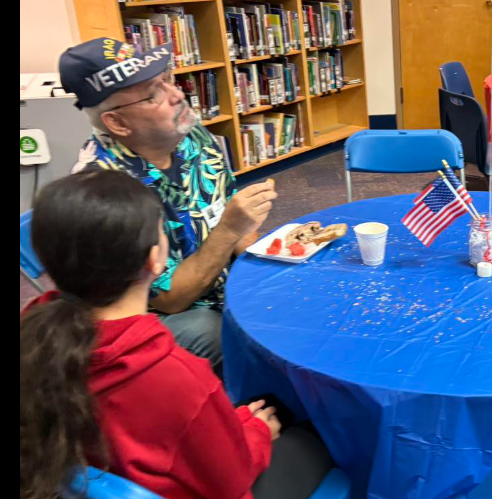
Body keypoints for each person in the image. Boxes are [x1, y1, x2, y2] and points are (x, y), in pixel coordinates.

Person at [20, 170, 333, 499]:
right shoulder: (177, 375)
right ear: (155, 261)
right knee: (323, 429)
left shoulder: (35, 332)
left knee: (261, 406)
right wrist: (255, 432)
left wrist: (235, 424)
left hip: (112, 474)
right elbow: (231, 480)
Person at [60, 38, 278, 375]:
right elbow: (172, 300)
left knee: (292, 293)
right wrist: (231, 229)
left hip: (217, 284)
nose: (176, 95)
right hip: (153, 320)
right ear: (117, 123)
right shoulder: (102, 190)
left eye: (167, 79)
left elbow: (228, 214)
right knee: (220, 336)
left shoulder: (191, 136)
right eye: (153, 93)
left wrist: (267, 261)